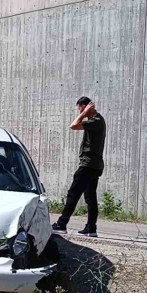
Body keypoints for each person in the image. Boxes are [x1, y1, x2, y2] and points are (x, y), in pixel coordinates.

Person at [51, 97, 106, 237]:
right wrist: (85, 113)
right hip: (94, 165)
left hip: (88, 164)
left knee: (73, 193)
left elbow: (73, 126)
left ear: (87, 107)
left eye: (80, 108)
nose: (80, 111)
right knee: (90, 197)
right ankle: (91, 228)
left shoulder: (96, 121)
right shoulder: (95, 121)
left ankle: (61, 224)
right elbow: (77, 125)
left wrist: (84, 113)